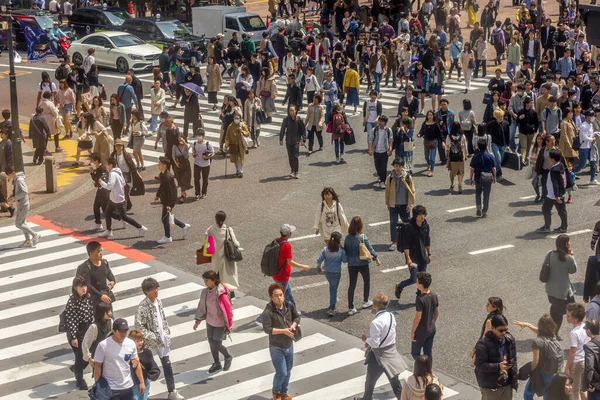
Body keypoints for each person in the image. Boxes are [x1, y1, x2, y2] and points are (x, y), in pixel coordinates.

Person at [134, 277, 185, 400]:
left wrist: (166, 332)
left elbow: (163, 318)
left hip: (163, 341)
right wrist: (153, 337)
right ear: (146, 291)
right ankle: (144, 391)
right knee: (146, 368)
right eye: (152, 289)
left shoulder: (159, 301)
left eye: (156, 288)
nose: (156, 291)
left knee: (167, 365)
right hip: (150, 344)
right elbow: (139, 326)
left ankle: (172, 391)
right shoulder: (142, 307)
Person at [354, 293, 406, 400]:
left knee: (370, 379)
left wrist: (366, 339)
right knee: (395, 381)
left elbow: (376, 343)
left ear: (375, 306)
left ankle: (366, 398)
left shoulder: (376, 322)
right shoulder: (391, 316)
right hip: (391, 352)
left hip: (378, 355)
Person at [261, 283, 301, 400]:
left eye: (281, 295)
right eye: (276, 296)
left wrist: (293, 325)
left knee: (288, 371)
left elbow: (297, 317)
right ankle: (276, 392)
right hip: (276, 346)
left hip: (289, 344)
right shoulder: (268, 311)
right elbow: (267, 329)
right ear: (271, 297)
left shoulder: (289, 305)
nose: (279, 298)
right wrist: (283, 331)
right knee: (281, 372)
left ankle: (284, 392)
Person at [513, 315, 564, 400]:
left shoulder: (537, 342)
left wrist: (530, 372)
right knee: (547, 395)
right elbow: (539, 332)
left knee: (528, 395)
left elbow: (535, 361)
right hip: (552, 373)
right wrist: (528, 325)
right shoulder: (553, 336)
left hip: (542, 373)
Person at [93, 318, 145, 399]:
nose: (123, 334)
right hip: (111, 387)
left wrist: (142, 382)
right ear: (114, 331)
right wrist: (97, 385)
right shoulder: (103, 345)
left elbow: (136, 362)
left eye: (125, 331)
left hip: (128, 386)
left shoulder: (131, 344)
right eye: (121, 331)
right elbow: (98, 366)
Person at [194, 270, 234, 374]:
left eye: (207, 280)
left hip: (220, 323)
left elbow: (228, 310)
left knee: (217, 344)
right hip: (210, 322)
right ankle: (216, 363)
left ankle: (227, 357)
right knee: (212, 343)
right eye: (204, 280)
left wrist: (229, 324)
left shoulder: (221, 293)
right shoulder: (205, 292)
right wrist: (197, 321)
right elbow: (201, 306)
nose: (205, 282)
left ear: (213, 280)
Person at [98, 157, 147, 240]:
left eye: (107, 164)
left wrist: (101, 182)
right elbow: (124, 183)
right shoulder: (119, 171)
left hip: (117, 200)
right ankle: (108, 230)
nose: (106, 166)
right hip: (114, 199)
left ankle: (141, 227)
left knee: (124, 217)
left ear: (110, 165)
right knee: (107, 213)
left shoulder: (112, 174)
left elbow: (109, 187)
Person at [474, 314, 518, 399]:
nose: (504, 333)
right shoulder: (483, 345)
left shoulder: (509, 340)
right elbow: (479, 365)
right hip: (491, 387)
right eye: (501, 330)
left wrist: (514, 375)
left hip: (507, 384)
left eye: (506, 329)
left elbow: (513, 359)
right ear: (492, 328)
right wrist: (498, 366)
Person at [344, 216, 380, 316]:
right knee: (366, 281)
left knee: (352, 285)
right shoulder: (362, 237)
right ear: (360, 225)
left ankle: (350, 308)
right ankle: (365, 301)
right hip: (363, 263)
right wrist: (375, 257)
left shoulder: (347, 238)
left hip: (351, 264)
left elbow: (346, 250)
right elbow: (370, 249)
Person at [64, 276, 94, 390]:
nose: (84, 289)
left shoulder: (88, 298)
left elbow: (91, 313)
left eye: (85, 286)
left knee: (89, 353)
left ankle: (77, 368)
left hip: (88, 329)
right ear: (75, 288)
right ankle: (79, 379)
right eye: (81, 286)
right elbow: (71, 320)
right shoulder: (72, 301)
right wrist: (73, 336)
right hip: (77, 331)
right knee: (79, 355)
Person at [395, 205, 431, 299]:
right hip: (413, 257)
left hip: (422, 256)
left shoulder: (426, 226)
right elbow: (406, 245)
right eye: (420, 214)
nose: (422, 216)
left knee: (422, 279)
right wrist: (408, 259)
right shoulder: (409, 228)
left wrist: (429, 254)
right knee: (414, 279)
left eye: (423, 214)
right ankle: (399, 286)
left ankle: (419, 296)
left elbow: (427, 240)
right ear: (415, 216)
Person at [155, 157, 190, 245]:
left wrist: (170, 205)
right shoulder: (163, 174)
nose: (158, 164)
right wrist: (158, 194)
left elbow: (172, 191)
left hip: (168, 201)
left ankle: (168, 237)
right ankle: (184, 226)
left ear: (164, 165)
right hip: (165, 199)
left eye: (160, 163)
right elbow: (162, 186)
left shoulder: (168, 177)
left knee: (164, 218)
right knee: (166, 217)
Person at [205, 211, 241, 294]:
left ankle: (218, 292)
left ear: (215, 218)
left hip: (215, 257)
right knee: (228, 276)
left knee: (216, 276)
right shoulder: (228, 229)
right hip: (227, 257)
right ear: (224, 219)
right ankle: (230, 293)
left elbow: (207, 242)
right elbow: (235, 243)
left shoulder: (210, 229)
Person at [6, 165, 41, 247]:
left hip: (23, 204)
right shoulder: (16, 179)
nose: (8, 177)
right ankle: (28, 241)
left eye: (9, 175)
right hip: (22, 204)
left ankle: (35, 235)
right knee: (23, 222)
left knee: (18, 224)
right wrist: (12, 196)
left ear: (13, 173)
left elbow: (25, 192)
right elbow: (19, 191)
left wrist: (15, 197)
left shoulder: (19, 180)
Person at [385, 158, 415, 251]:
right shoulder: (390, 177)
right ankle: (394, 242)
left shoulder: (407, 177)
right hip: (393, 204)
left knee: (406, 223)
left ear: (402, 167)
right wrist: (387, 202)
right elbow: (387, 191)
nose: (397, 168)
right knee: (393, 223)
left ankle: (409, 240)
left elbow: (412, 191)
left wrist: (410, 204)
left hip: (404, 204)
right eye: (395, 166)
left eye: (399, 166)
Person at [75, 241, 116, 308]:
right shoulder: (85, 267)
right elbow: (88, 285)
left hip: (105, 297)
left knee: (109, 316)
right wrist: (101, 295)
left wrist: (112, 282)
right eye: (98, 252)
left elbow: (109, 274)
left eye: (101, 251)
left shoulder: (104, 262)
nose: (101, 253)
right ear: (90, 254)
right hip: (93, 299)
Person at [410, 272, 439, 363]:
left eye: (417, 282)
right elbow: (437, 311)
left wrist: (413, 332)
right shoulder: (434, 295)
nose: (416, 283)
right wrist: (432, 321)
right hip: (431, 328)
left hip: (421, 331)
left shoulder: (420, 299)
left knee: (415, 353)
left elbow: (418, 317)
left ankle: (423, 369)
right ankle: (429, 370)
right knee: (428, 352)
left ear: (421, 285)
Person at [317, 231, 347, 316]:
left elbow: (319, 259)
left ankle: (334, 300)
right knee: (333, 289)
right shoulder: (340, 251)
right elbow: (345, 260)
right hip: (336, 272)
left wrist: (318, 268)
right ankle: (332, 308)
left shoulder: (326, 249)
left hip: (327, 272)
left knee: (332, 287)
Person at [538, 149, 569, 233]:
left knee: (545, 209)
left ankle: (547, 227)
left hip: (553, 195)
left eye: (549, 156)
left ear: (552, 158)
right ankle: (564, 227)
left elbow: (555, 183)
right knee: (562, 211)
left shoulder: (554, 169)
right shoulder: (561, 165)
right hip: (560, 193)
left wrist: (556, 195)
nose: (548, 157)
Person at [564, 303, 589, 400]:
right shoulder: (586, 325)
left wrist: (567, 368)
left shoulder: (574, 333)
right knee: (583, 389)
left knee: (575, 391)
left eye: (569, 316)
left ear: (575, 319)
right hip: (586, 361)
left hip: (577, 364)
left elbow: (572, 352)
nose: (567, 317)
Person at [128, 330, 160, 400]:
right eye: (137, 341)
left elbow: (152, 365)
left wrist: (152, 374)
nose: (140, 343)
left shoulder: (147, 352)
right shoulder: (128, 354)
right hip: (133, 384)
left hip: (145, 382)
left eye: (141, 340)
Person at [469, 139, 497, 218]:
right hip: (488, 178)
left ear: (478, 147)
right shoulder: (490, 156)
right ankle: (485, 211)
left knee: (478, 193)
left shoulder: (475, 156)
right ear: (486, 146)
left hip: (478, 177)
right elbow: (494, 168)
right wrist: (494, 177)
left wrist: (471, 178)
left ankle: (478, 208)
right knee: (486, 194)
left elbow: (472, 169)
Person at [82, 302, 112, 372]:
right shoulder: (94, 327)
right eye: (108, 311)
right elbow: (85, 343)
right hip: (98, 358)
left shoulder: (111, 322)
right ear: (102, 313)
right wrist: (89, 358)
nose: (110, 313)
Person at [279, 105, 306, 179]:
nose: (291, 112)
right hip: (288, 141)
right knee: (290, 157)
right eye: (290, 110)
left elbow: (303, 129)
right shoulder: (286, 119)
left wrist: (304, 139)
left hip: (296, 140)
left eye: (292, 110)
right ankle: (292, 170)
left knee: (295, 156)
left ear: (295, 111)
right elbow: (282, 129)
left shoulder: (299, 119)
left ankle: (296, 172)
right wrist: (281, 139)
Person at [368, 115, 393, 188]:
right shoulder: (374, 130)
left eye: (382, 121)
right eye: (379, 121)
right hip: (376, 151)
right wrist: (370, 149)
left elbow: (391, 140)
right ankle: (379, 175)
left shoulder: (388, 130)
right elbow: (370, 140)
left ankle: (382, 181)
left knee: (383, 166)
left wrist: (390, 149)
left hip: (384, 151)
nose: (380, 123)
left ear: (385, 122)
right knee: (377, 166)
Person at [225, 111, 250, 178]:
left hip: (241, 145)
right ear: (233, 119)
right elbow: (227, 137)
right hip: (233, 145)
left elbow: (247, 133)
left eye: (238, 118)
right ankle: (237, 170)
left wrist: (242, 131)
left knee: (240, 158)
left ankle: (240, 171)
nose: (236, 120)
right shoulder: (230, 127)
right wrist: (226, 144)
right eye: (235, 118)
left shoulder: (243, 125)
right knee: (235, 159)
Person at [445, 122, 468, 194]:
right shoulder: (462, 136)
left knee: (452, 172)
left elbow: (447, 147)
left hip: (452, 157)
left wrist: (446, 155)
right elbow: (465, 146)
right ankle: (460, 184)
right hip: (460, 156)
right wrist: (466, 155)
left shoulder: (449, 136)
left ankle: (452, 184)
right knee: (460, 171)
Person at [192, 129, 213, 200]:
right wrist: (194, 155)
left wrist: (207, 156)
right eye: (197, 135)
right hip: (197, 164)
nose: (198, 137)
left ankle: (204, 193)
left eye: (199, 136)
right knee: (196, 179)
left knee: (205, 179)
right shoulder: (195, 144)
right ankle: (197, 193)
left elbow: (213, 153)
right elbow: (193, 152)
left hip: (206, 164)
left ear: (203, 136)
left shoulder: (207, 144)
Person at [583, 319, 600, 399]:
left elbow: (589, 368)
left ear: (588, 331)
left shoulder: (589, 346)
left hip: (597, 385)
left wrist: (587, 384)